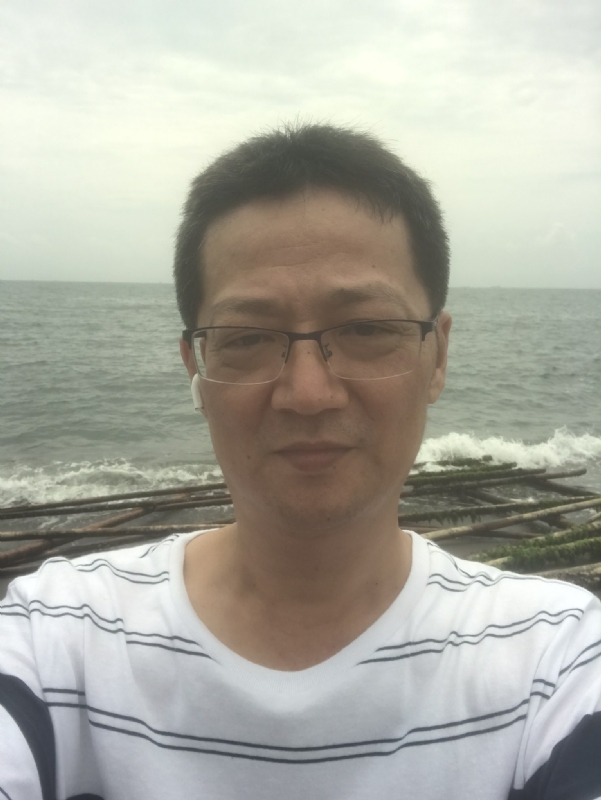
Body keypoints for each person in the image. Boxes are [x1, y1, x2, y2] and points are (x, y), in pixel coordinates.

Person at [1, 123, 600, 800]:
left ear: (437, 355)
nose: (309, 394)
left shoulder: (555, 658)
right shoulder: (57, 636)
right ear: (195, 367)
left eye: (366, 328)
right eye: (247, 337)